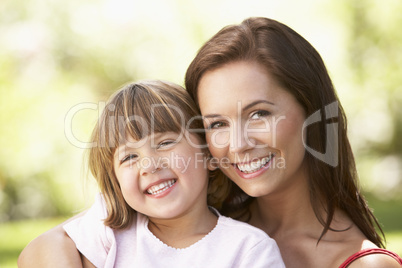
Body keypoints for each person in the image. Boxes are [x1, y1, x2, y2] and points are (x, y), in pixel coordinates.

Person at [18, 17, 402, 268]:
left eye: (258, 114)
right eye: (217, 123)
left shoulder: (363, 263)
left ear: (313, 112)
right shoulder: (178, 206)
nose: (237, 145)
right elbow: (41, 251)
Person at [20, 80, 284, 268]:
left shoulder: (248, 249)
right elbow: (36, 254)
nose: (149, 165)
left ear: (208, 153)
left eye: (165, 143)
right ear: (116, 182)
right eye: (129, 157)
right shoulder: (108, 231)